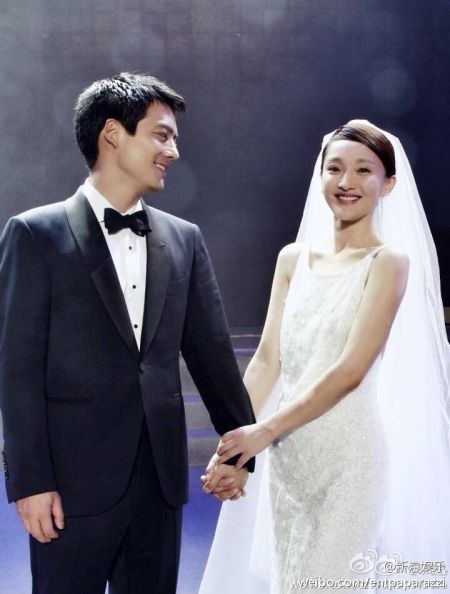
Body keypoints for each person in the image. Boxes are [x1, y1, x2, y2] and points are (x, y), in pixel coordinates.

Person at [0, 72, 255, 594]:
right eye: (162, 135)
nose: (174, 151)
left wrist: (239, 452)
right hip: (68, 489)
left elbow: (212, 357)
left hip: (160, 485)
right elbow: (16, 369)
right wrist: (30, 482)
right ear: (113, 134)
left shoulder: (184, 239)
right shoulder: (33, 233)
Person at [200, 121, 450, 593]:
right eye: (334, 168)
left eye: (363, 170)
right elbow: (267, 360)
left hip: (349, 461)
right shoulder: (292, 259)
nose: (346, 181)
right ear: (320, 176)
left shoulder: (389, 262)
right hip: (288, 463)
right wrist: (231, 449)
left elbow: (351, 369)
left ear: (388, 184)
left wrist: (263, 432)